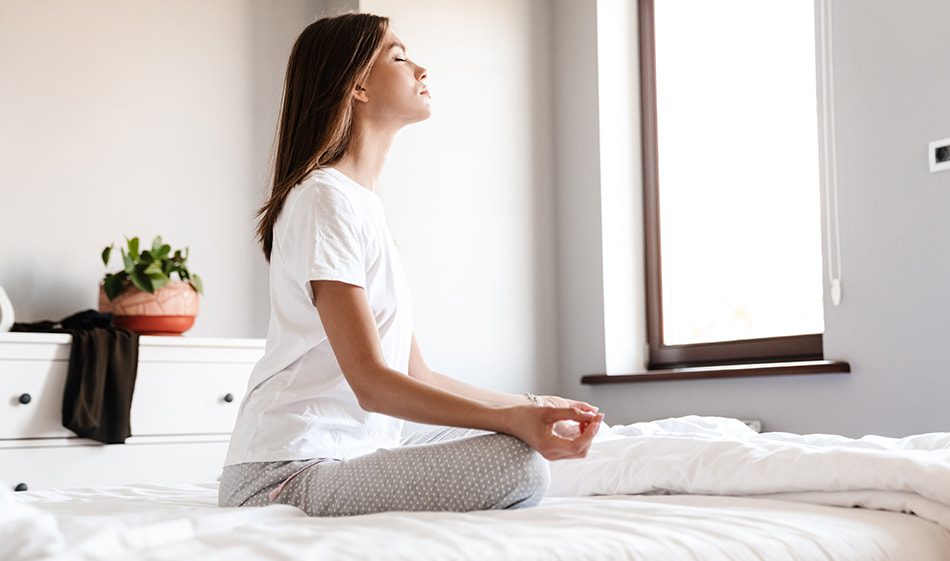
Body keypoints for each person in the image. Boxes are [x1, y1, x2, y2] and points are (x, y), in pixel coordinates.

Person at [218, 11, 605, 518]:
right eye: (399, 57)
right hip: (285, 471)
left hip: (343, 454)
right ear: (356, 84)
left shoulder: (362, 205)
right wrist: (513, 418)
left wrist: (527, 404)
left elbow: (415, 373)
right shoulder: (322, 199)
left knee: (522, 436)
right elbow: (374, 384)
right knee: (518, 465)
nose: (421, 69)